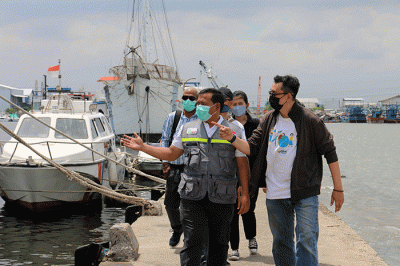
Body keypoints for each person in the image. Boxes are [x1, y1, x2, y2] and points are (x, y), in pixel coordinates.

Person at [213, 75, 344, 266]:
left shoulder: (310, 121)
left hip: (305, 191)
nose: (271, 97)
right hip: (275, 192)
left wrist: (338, 189)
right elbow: (252, 147)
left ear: (288, 96)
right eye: (270, 93)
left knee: (306, 240)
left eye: (274, 94)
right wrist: (232, 138)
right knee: (281, 242)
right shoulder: (268, 120)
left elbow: (330, 153)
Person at [121, 88, 251, 266]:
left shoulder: (234, 129)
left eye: (202, 104)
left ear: (217, 106)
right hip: (192, 195)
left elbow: (242, 162)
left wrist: (244, 194)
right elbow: (171, 153)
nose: (198, 107)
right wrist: (143, 147)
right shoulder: (187, 128)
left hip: (222, 196)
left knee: (219, 244)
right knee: (192, 241)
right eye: (197, 103)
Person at [160, 86, 199, 247]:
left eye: (192, 98)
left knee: (190, 205)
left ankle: (191, 235)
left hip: (193, 169)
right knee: (170, 203)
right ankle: (177, 229)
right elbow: (164, 139)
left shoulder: (200, 119)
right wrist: (165, 162)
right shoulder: (173, 117)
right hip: (175, 167)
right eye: (185, 98)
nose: (188, 101)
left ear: (197, 101)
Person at [228, 90, 260, 261]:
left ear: (247, 106)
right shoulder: (228, 125)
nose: (237, 107)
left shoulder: (256, 124)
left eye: (241, 103)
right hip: (232, 173)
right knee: (232, 211)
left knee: (248, 208)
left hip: (251, 173)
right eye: (234, 104)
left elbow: (262, 151)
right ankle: (234, 248)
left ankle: (252, 238)